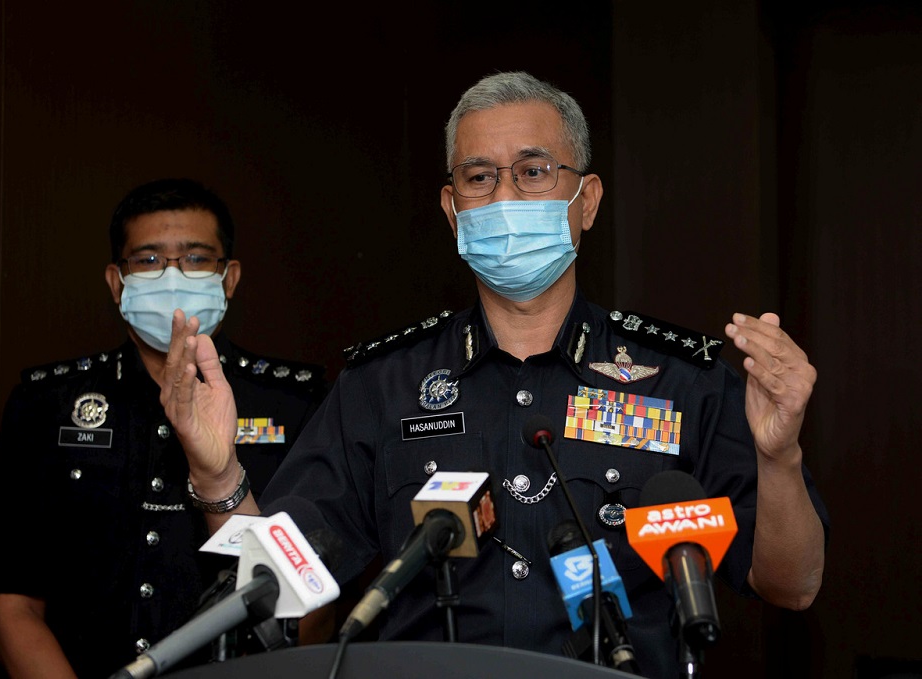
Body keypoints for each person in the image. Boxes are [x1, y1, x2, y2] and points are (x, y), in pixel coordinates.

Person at [160, 72, 829, 678]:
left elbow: (789, 583)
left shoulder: (680, 379)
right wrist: (218, 475)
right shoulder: (382, 385)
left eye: (533, 172)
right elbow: (281, 597)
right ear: (453, 211)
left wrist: (781, 456)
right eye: (480, 178)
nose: (505, 195)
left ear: (586, 200)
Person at [0, 178, 327, 678]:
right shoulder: (46, 405)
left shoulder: (294, 403)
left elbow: (312, 618)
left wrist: (221, 478)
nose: (171, 277)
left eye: (195, 259)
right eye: (147, 261)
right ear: (116, 281)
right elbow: (12, 608)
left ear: (228, 278)